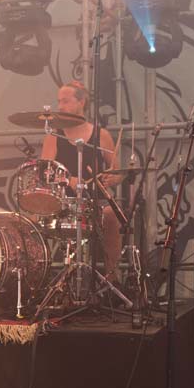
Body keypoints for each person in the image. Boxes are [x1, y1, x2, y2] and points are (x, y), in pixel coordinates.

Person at [40, 81, 122, 284]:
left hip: (95, 200)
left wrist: (115, 178)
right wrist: (68, 179)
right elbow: (45, 171)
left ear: (81, 102)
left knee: (112, 214)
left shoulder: (101, 135)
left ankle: (112, 277)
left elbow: (118, 170)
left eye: (66, 101)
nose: (61, 106)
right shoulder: (54, 136)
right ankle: (48, 278)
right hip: (63, 201)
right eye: (59, 101)